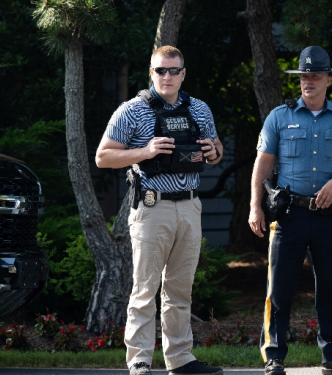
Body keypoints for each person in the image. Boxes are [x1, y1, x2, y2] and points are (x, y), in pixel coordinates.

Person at [96, 45, 224, 375]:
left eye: (173, 70)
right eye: (160, 70)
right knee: (145, 288)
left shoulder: (200, 110)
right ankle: (139, 360)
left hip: (191, 207)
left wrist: (214, 151)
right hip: (152, 208)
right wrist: (145, 150)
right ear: (150, 73)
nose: (167, 76)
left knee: (180, 289)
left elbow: (217, 148)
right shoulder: (132, 111)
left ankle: (180, 360)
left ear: (183, 74)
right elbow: (103, 157)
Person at [248, 46, 332, 375]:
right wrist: (255, 206)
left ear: (329, 79)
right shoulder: (279, 117)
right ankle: (274, 356)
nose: (308, 81)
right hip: (289, 215)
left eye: (315, 76)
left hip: (329, 216)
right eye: (304, 76)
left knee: (330, 286)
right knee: (280, 287)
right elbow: (263, 163)